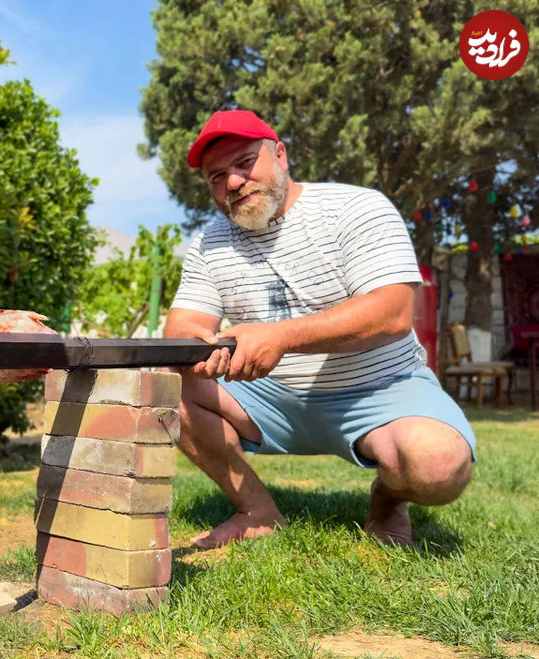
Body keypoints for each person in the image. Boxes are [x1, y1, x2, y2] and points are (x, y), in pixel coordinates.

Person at [166, 110, 475, 549]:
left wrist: (279, 336)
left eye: (244, 163)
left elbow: (394, 311)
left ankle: (388, 498)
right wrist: (195, 344)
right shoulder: (210, 242)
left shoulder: (354, 208)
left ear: (281, 155)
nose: (233, 182)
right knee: (162, 382)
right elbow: (184, 325)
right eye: (217, 176)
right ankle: (255, 510)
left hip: (378, 391)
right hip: (267, 399)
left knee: (440, 465)